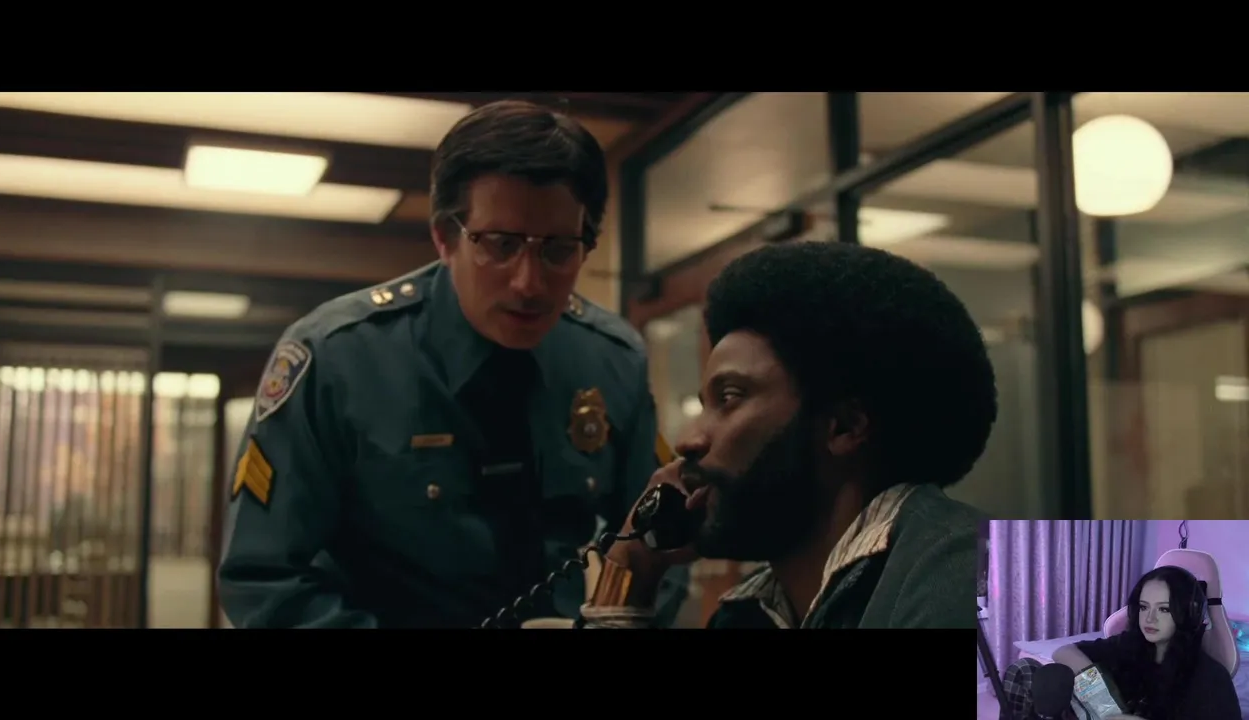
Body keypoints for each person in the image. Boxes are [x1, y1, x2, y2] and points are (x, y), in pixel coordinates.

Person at [217, 100, 688, 628]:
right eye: (501, 245)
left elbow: (661, 539)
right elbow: (263, 579)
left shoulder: (612, 360)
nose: (529, 283)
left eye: (558, 250)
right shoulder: (337, 358)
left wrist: (617, 620)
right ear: (445, 236)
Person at [576, 240, 992, 630]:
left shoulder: (997, 582)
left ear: (844, 426)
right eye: (704, 405)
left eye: (730, 398)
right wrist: (631, 565)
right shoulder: (746, 614)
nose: (688, 440)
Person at [1002, 565, 1240, 719]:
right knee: (1024, 670)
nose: (1150, 618)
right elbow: (1063, 652)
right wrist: (1099, 695)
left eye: (1164, 609)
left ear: (1188, 613)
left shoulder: (1209, 679)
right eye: (1144, 607)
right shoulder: (1128, 645)